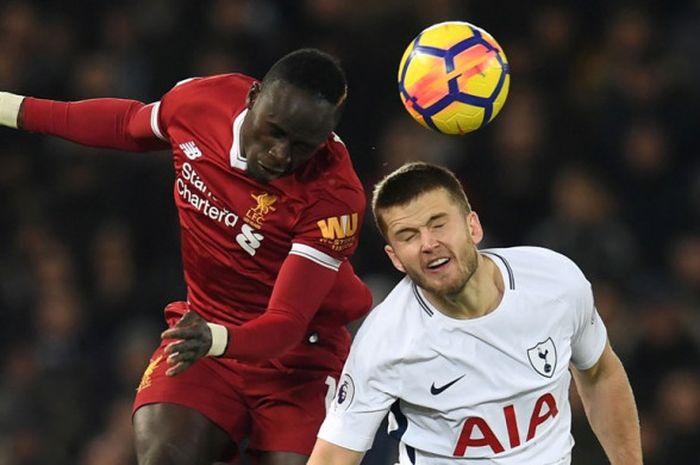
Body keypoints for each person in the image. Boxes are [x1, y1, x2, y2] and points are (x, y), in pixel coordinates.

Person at [0, 48, 373, 465]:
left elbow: (286, 323)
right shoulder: (201, 103)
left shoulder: (335, 195)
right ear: (252, 98)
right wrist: (10, 107)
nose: (281, 154)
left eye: (303, 145)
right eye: (274, 132)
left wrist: (214, 338)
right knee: (164, 455)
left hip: (300, 361)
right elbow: (126, 124)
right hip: (204, 336)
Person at [308, 162, 643, 465]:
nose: (428, 244)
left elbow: (600, 373)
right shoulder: (386, 340)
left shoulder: (555, 283)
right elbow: (333, 456)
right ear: (396, 259)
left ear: (473, 227)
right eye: (408, 237)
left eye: (438, 224)